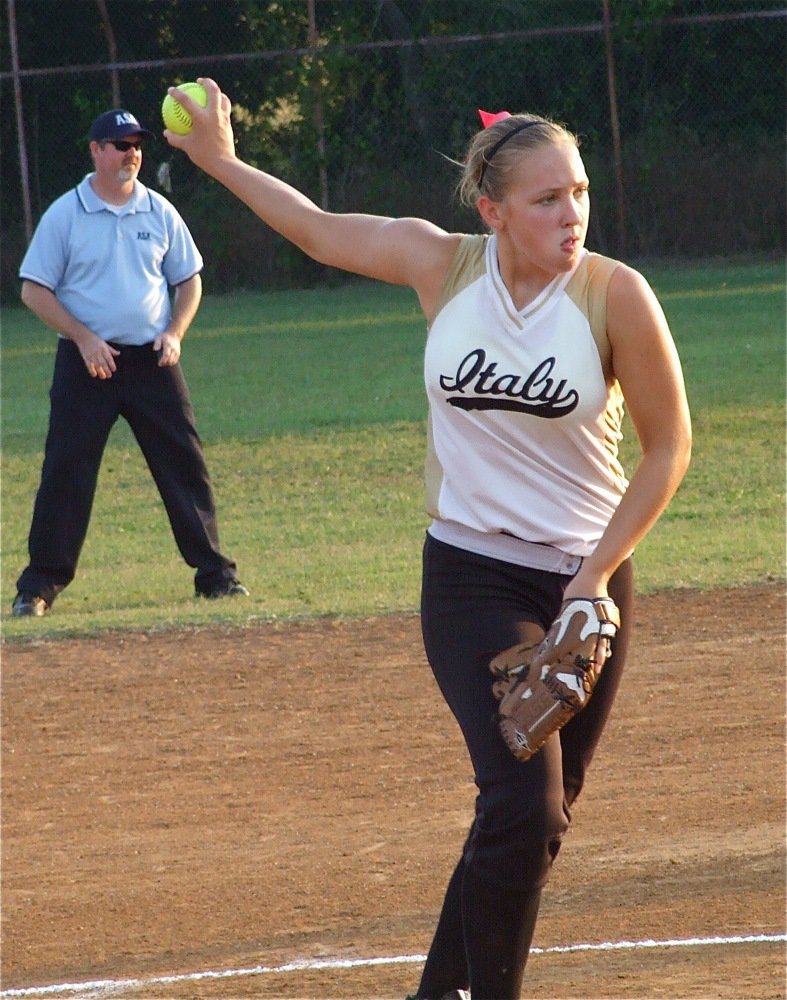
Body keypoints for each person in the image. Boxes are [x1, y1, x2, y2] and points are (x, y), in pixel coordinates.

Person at [165, 81, 691, 999]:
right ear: (492, 210)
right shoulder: (440, 265)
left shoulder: (615, 295)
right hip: (470, 578)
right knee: (521, 803)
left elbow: (667, 449)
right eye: (545, 198)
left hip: (585, 585)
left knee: (542, 816)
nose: (572, 214)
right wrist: (218, 160)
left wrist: (594, 578)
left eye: (578, 192)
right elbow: (319, 228)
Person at [11, 107, 248, 618]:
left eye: (137, 145)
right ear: (96, 151)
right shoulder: (66, 214)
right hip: (86, 363)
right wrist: (84, 337)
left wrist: (175, 333)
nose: (131, 154)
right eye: (120, 145)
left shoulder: (158, 210)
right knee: (67, 470)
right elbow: (34, 289)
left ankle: (215, 576)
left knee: (185, 467)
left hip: (152, 361)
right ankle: (39, 586)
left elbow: (188, 280)